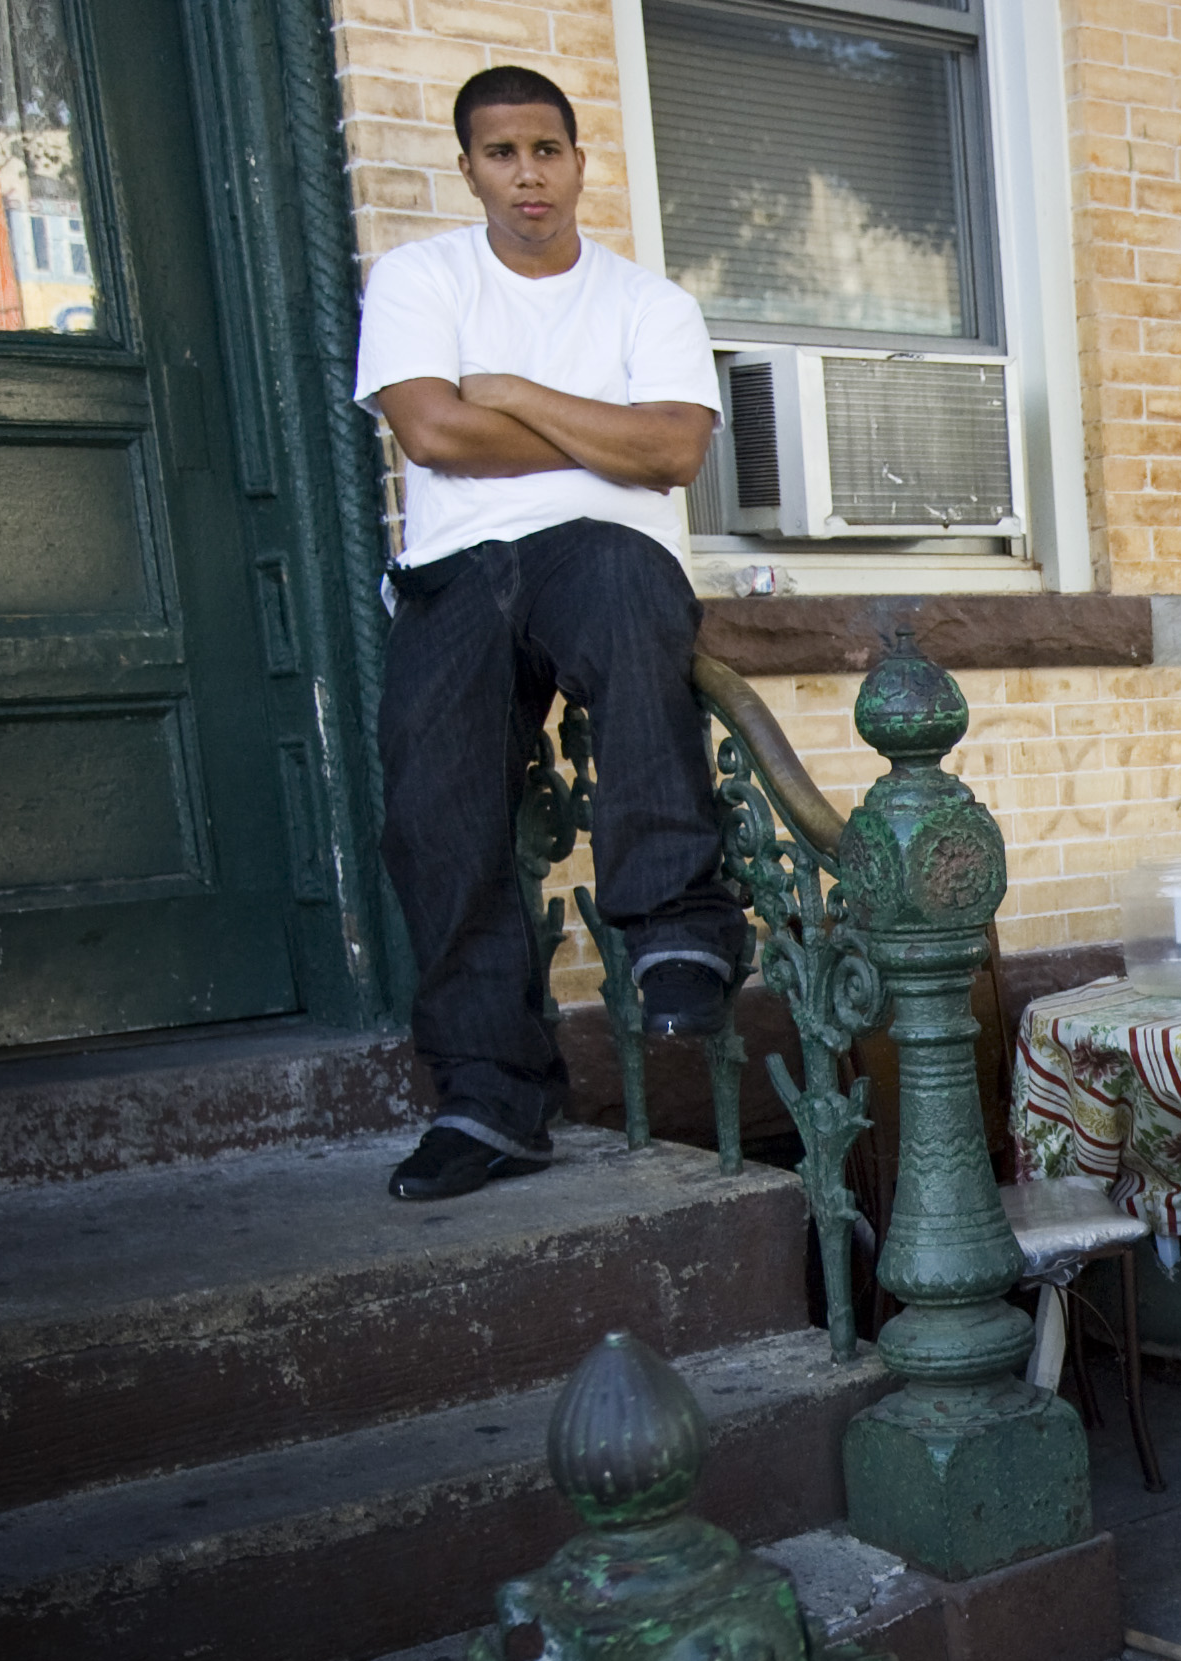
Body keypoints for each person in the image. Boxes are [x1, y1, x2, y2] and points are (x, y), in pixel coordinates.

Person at [352, 67, 738, 1203]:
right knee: (435, 809)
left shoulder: (649, 303)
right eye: (502, 153)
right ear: (469, 169)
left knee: (627, 595)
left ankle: (678, 929)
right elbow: (433, 433)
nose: (528, 174)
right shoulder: (421, 277)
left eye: (547, 150)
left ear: (577, 162)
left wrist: (515, 391)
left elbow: (672, 453)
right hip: (455, 569)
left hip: (602, 559)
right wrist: (604, 432)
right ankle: (489, 1098)